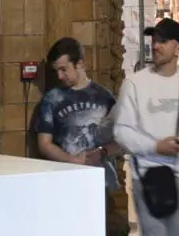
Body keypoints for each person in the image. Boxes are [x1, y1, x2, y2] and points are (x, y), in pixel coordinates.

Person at [111, 18, 179, 236]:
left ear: (178, 48)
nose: (155, 46)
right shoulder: (135, 84)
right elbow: (121, 131)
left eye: (163, 41)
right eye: (154, 40)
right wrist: (155, 147)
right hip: (146, 175)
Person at [33, 36, 120, 193]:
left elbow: (121, 139)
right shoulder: (51, 99)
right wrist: (72, 160)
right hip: (63, 183)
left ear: (80, 64)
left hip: (100, 183)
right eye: (56, 71)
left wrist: (102, 153)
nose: (59, 76)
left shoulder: (104, 97)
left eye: (63, 69)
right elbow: (44, 144)